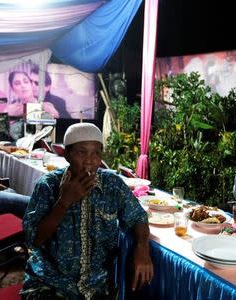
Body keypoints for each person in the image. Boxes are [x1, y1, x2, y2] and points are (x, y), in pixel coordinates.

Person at [21, 123, 153, 300]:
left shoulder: (112, 185)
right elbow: (33, 239)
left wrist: (142, 247)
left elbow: (138, 216)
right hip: (51, 283)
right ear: (67, 154)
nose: (90, 160)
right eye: (81, 152)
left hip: (96, 286)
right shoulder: (48, 185)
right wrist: (64, 202)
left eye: (96, 153)